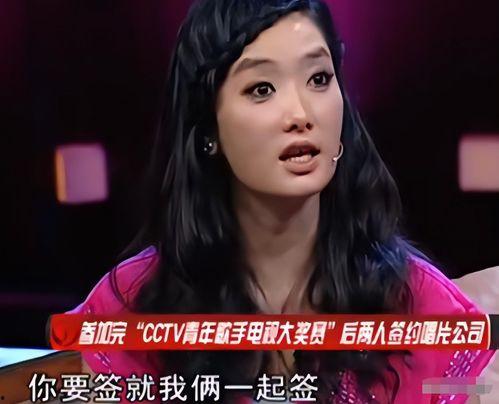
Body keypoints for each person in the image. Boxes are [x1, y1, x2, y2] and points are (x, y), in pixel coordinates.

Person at [68, 0, 494, 402]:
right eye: (262, 88)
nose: (301, 115)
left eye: (319, 79)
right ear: (208, 128)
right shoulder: (129, 311)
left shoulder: (424, 309)